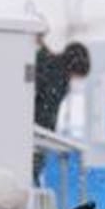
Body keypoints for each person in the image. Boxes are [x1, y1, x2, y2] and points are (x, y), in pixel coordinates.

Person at [33, 40, 91, 183]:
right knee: (32, 170)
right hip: (36, 135)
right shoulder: (58, 80)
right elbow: (46, 113)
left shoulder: (43, 60)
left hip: (31, 128)